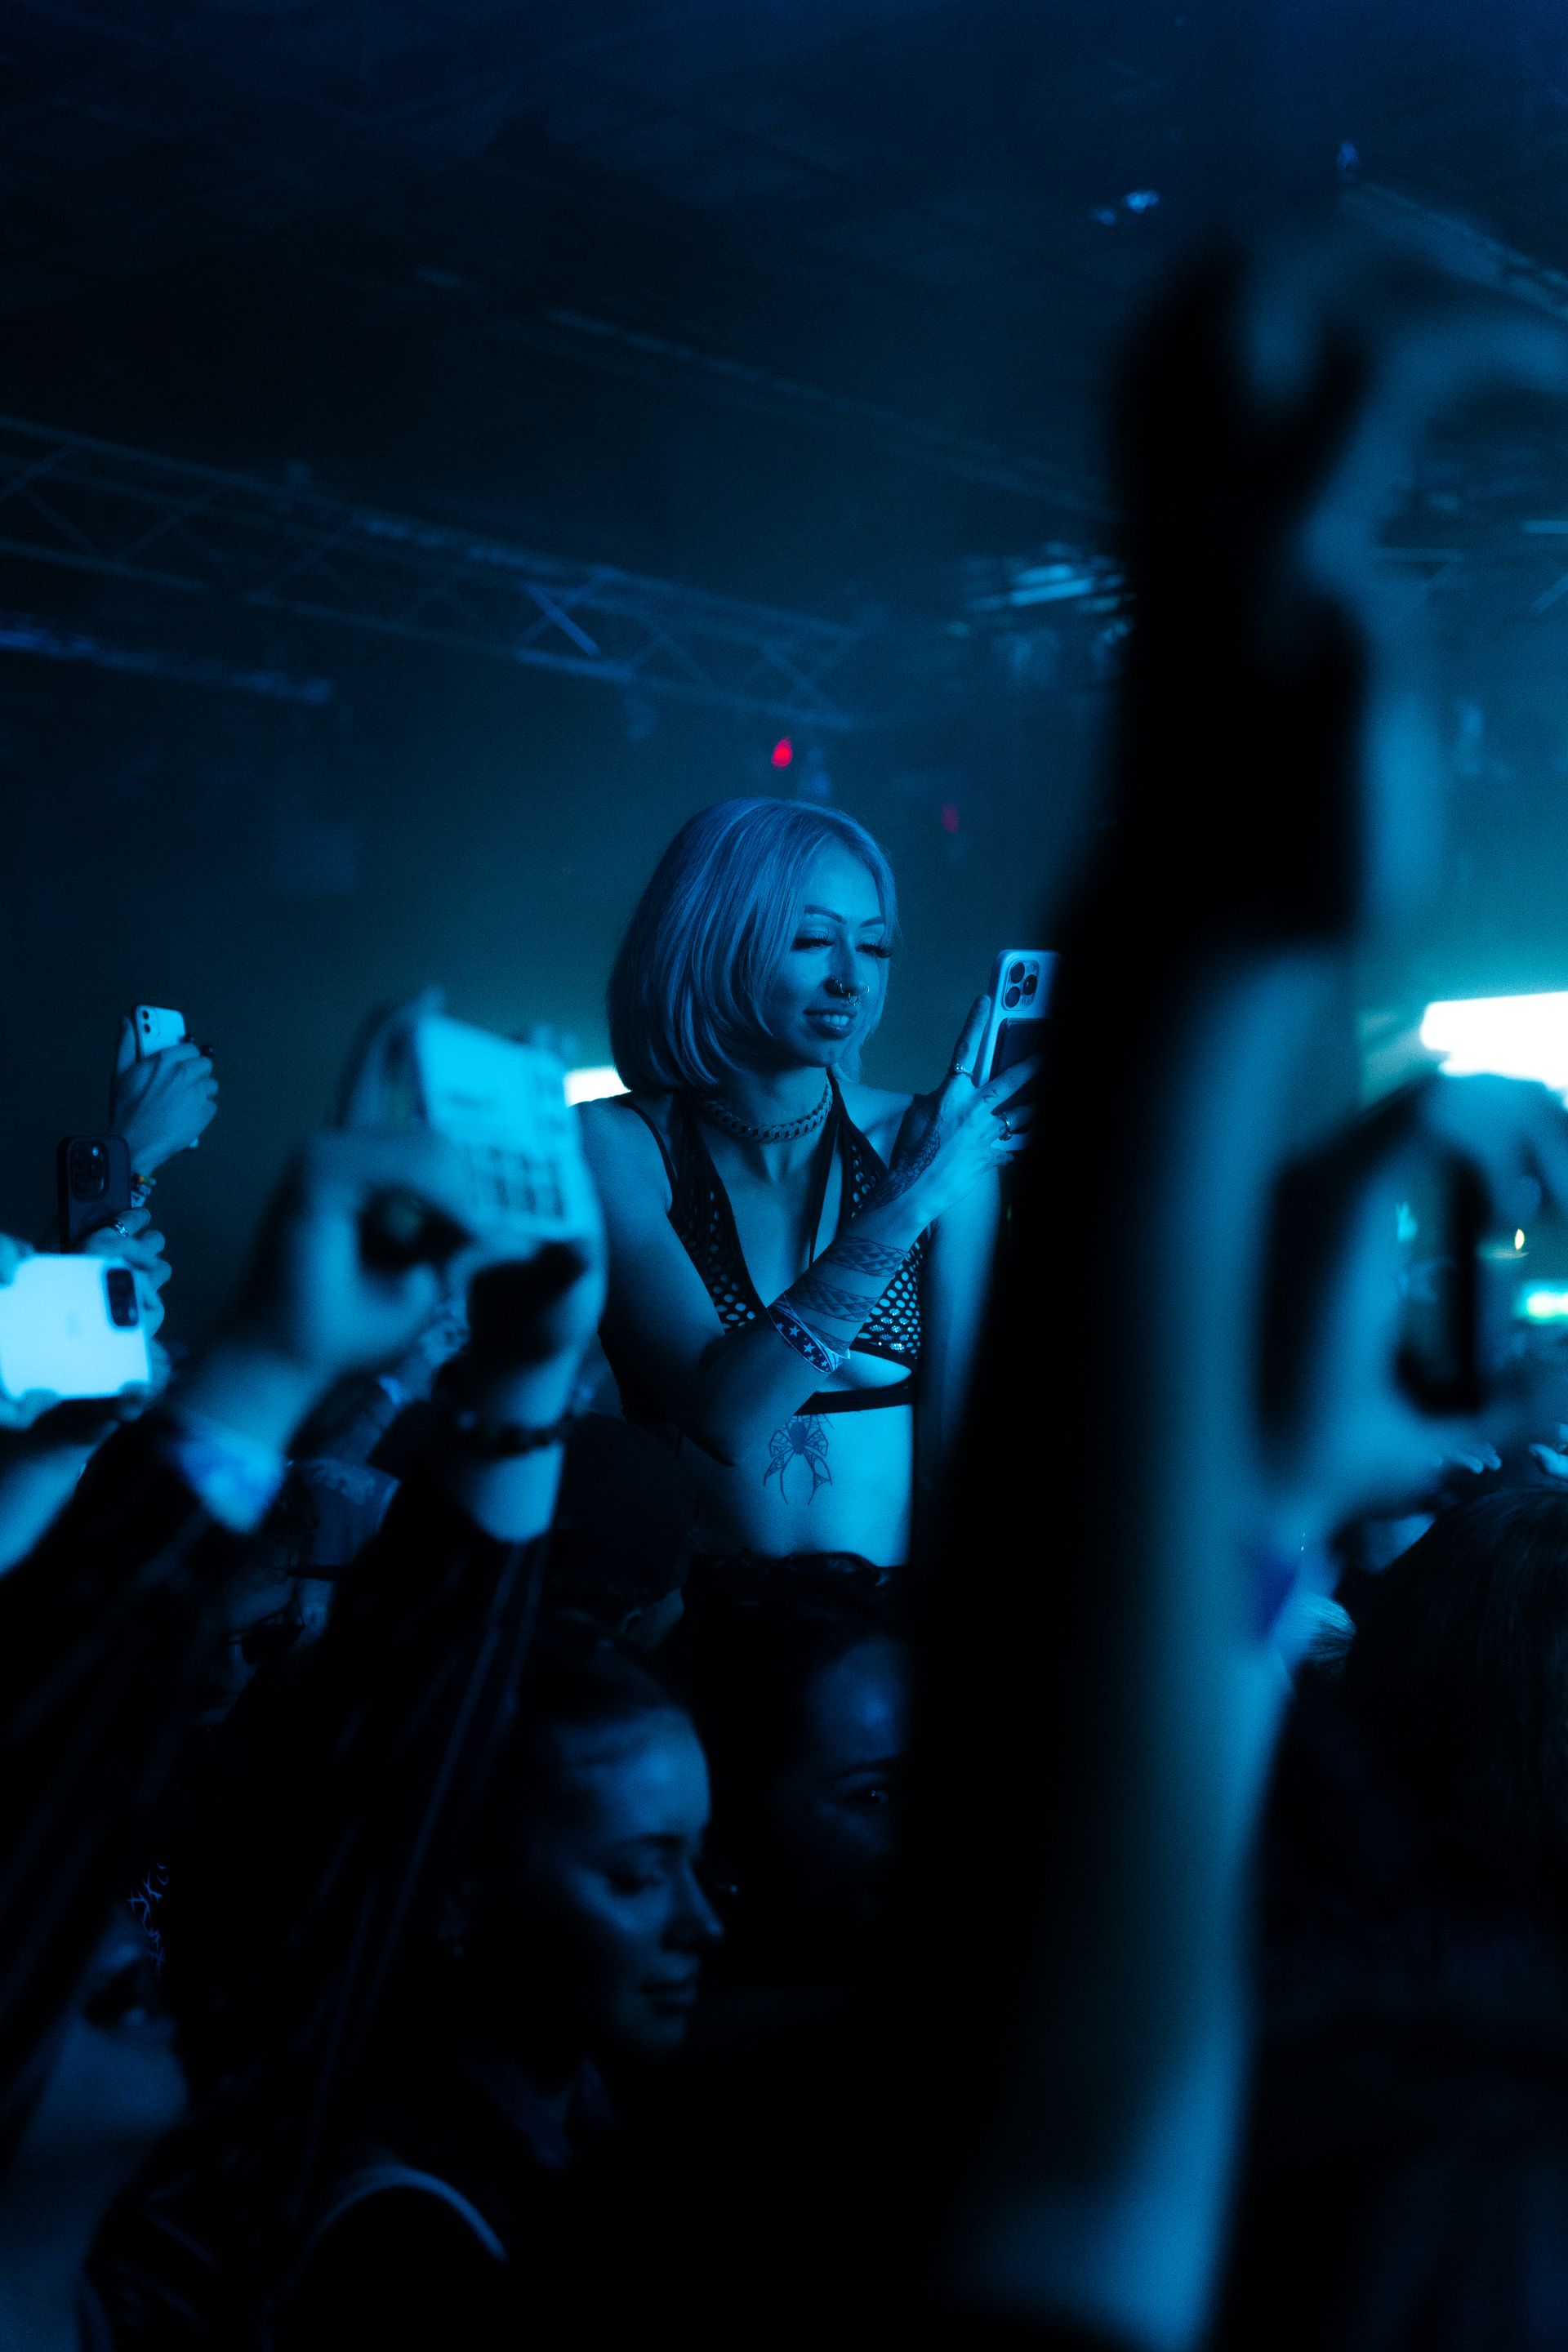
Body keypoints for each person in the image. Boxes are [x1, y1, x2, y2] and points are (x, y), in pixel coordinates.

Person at [581, 799, 1033, 1573]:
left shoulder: (933, 1146)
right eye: (814, 939)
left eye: (876, 946)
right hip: (685, 1644)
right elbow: (724, 1418)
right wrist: (908, 1202)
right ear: (710, 940)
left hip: (875, 1653)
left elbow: (957, 1466)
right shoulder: (615, 1145)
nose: (851, 979)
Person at [280, 1624, 722, 2350]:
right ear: (457, 1891)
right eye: (640, 1876)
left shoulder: (603, 2127)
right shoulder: (400, 2245)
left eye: (702, 1862)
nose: (704, 1923)